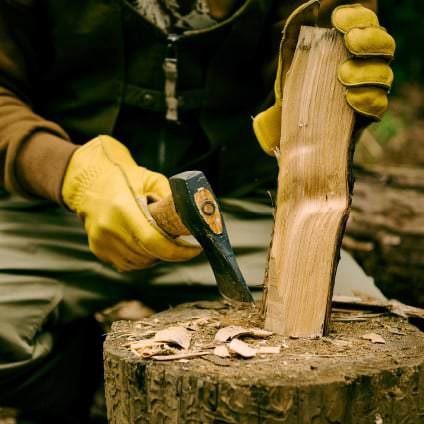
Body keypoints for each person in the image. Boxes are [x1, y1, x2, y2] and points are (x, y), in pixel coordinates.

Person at [0, 0, 394, 422]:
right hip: (54, 209)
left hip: (239, 209)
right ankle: (71, 381)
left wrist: (316, 106)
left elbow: (325, 46)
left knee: (356, 348)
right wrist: (64, 171)